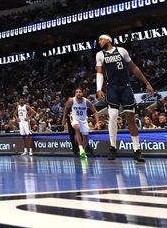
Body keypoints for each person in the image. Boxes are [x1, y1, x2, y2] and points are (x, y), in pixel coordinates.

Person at [95, 34, 154, 162]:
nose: (99, 41)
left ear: (109, 40)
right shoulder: (99, 55)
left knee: (130, 118)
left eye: (101, 39)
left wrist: (147, 83)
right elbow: (99, 73)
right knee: (113, 115)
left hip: (125, 87)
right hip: (112, 87)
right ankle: (112, 147)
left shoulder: (121, 51)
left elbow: (133, 68)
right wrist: (99, 89)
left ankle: (137, 150)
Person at [62, 87, 99, 159]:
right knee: (77, 128)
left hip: (83, 119)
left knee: (86, 137)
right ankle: (81, 149)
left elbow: (95, 112)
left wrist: (97, 122)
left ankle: (82, 151)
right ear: (75, 94)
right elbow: (66, 108)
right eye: (77, 92)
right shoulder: (71, 100)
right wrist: (64, 119)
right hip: (74, 118)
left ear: (83, 93)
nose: (78, 93)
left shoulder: (87, 101)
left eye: (80, 92)